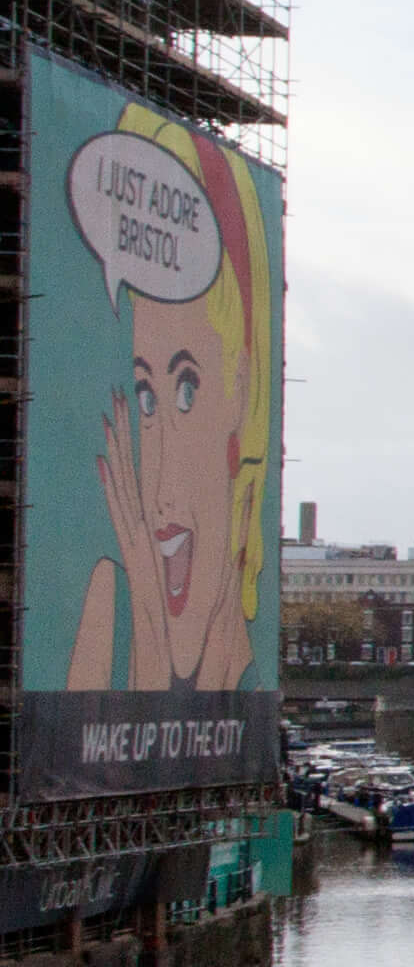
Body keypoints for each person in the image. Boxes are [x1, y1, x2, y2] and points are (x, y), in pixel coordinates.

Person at [66, 108, 275, 699]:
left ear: (241, 387)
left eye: (188, 389)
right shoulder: (106, 617)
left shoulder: (248, 687)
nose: (158, 495)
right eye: (146, 397)